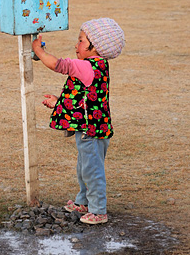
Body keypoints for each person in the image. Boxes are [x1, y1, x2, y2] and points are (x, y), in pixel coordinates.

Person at [32, 18, 125, 225]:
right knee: (85, 167)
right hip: (93, 128)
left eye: (81, 40)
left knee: (92, 171)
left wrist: (38, 51)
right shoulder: (97, 66)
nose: (76, 45)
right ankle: (84, 201)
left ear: (96, 47)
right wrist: (59, 102)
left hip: (90, 132)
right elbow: (83, 98)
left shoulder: (87, 66)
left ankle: (98, 210)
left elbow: (57, 65)